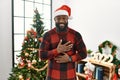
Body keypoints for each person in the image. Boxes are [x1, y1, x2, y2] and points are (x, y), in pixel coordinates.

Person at [39, 5, 87, 80]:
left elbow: (83, 53)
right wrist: (57, 50)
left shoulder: (76, 35)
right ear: (54, 19)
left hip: (70, 77)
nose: (61, 21)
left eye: (64, 18)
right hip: (52, 77)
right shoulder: (48, 35)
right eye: (58, 18)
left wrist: (70, 59)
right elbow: (42, 55)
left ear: (67, 19)